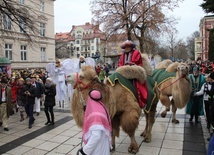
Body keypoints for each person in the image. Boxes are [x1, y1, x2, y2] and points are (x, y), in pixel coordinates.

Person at [79, 90, 111, 155]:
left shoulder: (95, 115)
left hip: (98, 150)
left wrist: (85, 150)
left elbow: (96, 136)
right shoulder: (101, 108)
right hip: (102, 147)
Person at [118, 40, 148, 108]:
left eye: (128, 46)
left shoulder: (136, 53)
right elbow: (120, 63)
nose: (127, 48)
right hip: (123, 72)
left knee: (137, 84)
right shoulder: (122, 55)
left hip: (134, 71)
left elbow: (137, 62)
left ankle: (141, 102)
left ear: (131, 47)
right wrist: (121, 67)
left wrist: (129, 64)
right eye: (125, 47)